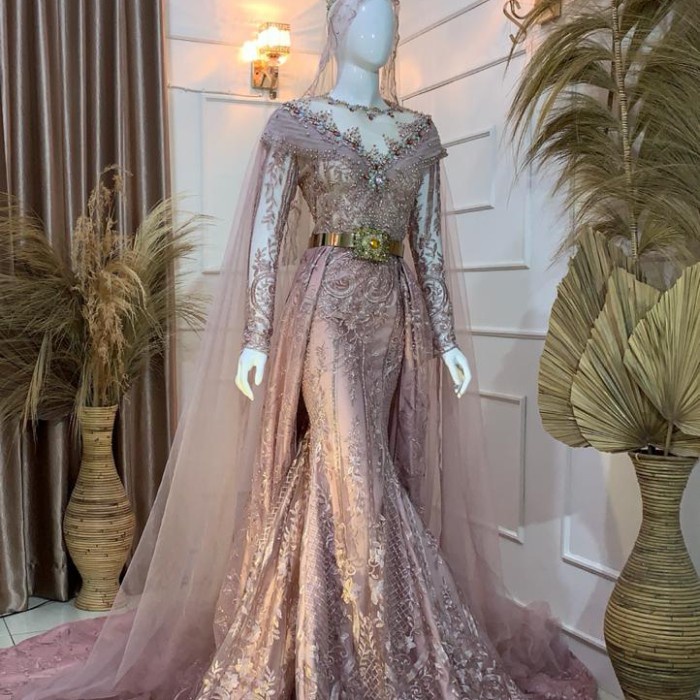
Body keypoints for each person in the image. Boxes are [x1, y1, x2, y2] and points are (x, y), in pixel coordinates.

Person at [0, 1, 597, 698]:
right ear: (340, 25)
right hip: (325, 311)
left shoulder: (418, 134)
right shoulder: (299, 123)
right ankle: (383, 658)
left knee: (342, 468)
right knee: (357, 467)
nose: (383, 27)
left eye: (390, 15)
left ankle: (318, 626)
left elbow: (429, 248)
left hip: (392, 314)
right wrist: (255, 337)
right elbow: (266, 235)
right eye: (367, 13)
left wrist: (448, 340)